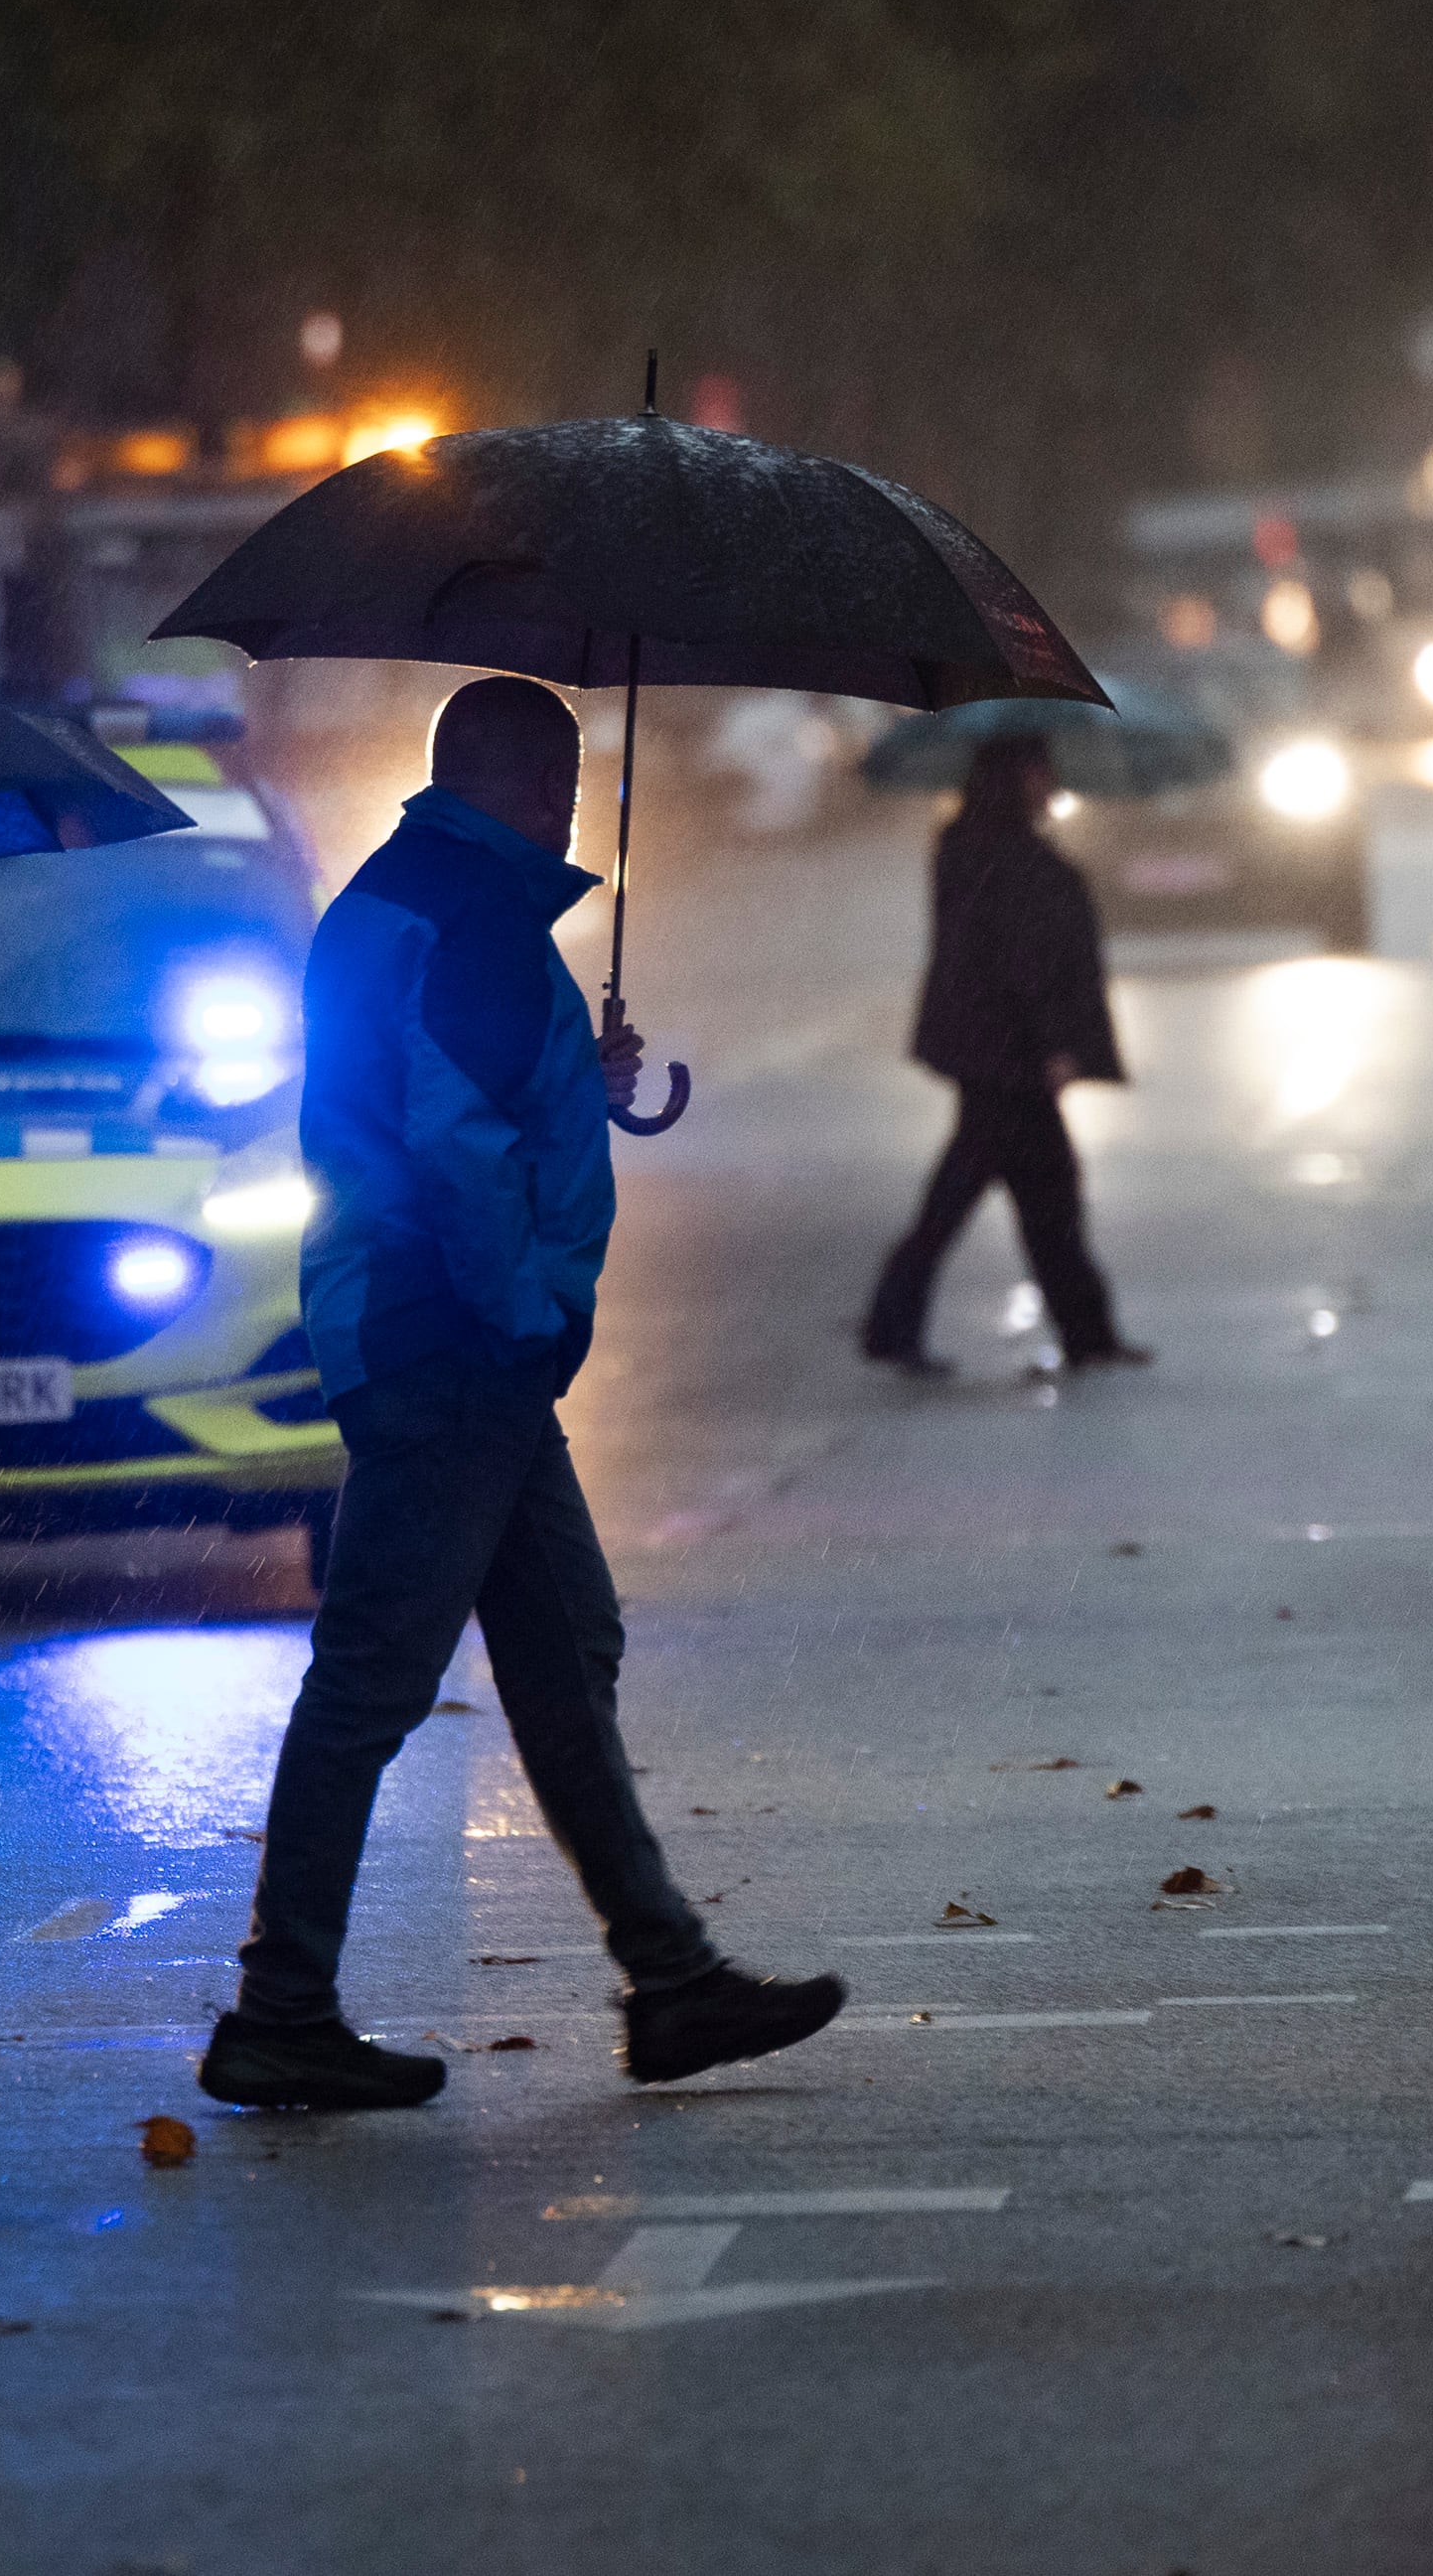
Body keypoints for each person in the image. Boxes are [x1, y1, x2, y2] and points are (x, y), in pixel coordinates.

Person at [203, 679, 843, 2112]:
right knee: (371, 1678)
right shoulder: (475, 916)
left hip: (424, 1330)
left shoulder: (402, 896)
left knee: (565, 1645)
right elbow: (458, 1151)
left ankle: (670, 1977)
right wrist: (531, 1317)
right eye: (556, 778)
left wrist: (583, 1083)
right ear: (518, 778)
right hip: (451, 1340)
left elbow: (456, 1094)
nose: (567, 806)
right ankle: (279, 2006)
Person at [860, 733, 1140, 1378]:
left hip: (992, 1053)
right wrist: (1054, 1044)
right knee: (1025, 1197)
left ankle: (1084, 1333)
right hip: (1006, 1058)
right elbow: (1021, 962)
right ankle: (1083, 1333)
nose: (1051, 785)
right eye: (1041, 772)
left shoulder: (984, 848)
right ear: (1015, 777)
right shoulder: (999, 855)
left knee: (1031, 1199)